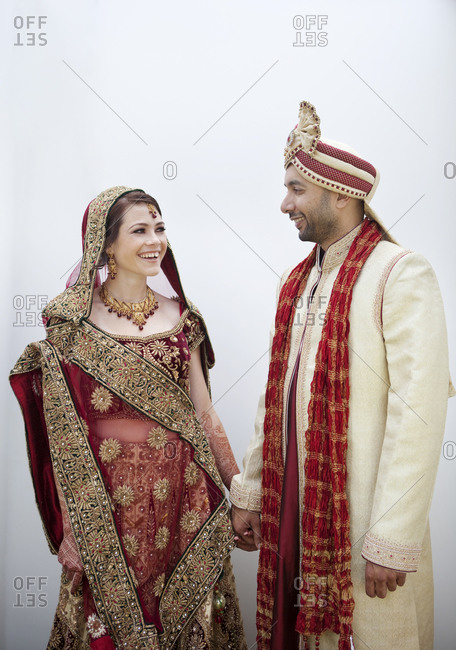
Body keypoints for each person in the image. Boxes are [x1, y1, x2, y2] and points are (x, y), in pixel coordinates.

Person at [230, 101, 454, 649]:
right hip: (295, 517)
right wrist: (253, 489)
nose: (285, 204)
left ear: (340, 194)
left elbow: (419, 413)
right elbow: (274, 401)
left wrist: (391, 537)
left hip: (360, 532)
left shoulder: (399, 274)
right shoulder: (296, 281)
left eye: (296, 190)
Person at [10, 186, 247, 649]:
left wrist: (240, 495)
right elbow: (62, 435)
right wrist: (69, 521)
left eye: (159, 228)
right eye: (139, 229)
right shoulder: (71, 327)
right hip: (106, 507)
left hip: (186, 499)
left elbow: (205, 415)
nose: (154, 240)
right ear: (105, 244)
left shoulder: (183, 318)